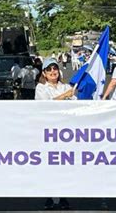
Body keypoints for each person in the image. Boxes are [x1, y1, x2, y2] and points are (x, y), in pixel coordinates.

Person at [35, 58, 74, 209]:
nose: (53, 72)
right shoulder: (41, 88)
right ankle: (50, 196)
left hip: (65, 131)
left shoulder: (66, 86)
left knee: (64, 165)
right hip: (48, 131)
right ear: (44, 73)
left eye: (55, 69)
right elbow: (46, 105)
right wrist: (65, 96)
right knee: (49, 164)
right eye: (49, 70)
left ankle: (63, 196)